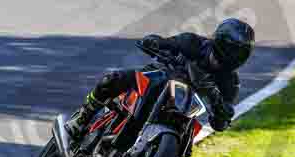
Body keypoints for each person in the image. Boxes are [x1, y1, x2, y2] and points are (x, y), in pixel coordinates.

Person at [66, 18, 255, 140]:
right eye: (232, 48)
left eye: (241, 52)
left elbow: (220, 121)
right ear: (220, 41)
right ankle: (83, 116)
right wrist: (154, 42)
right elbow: (167, 43)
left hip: (182, 108)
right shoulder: (194, 43)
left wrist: (222, 113)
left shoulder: (230, 83)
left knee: (188, 134)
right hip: (158, 78)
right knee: (113, 78)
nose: (235, 55)